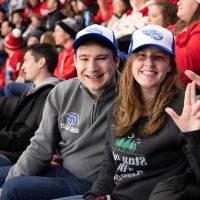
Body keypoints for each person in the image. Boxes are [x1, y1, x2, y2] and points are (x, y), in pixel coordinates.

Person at [57, 24, 200, 200]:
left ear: (170, 65)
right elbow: (109, 166)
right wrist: (93, 196)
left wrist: (194, 135)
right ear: (131, 61)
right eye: (141, 56)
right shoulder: (120, 105)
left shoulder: (186, 107)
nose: (149, 63)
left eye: (159, 57)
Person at [0, 24, 120, 200]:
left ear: (116, 61)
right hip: (60, 170)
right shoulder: (62, 91)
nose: (92, 67)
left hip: (91, 183)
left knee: (13, 189)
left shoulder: (130, 96)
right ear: (75, 60)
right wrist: (12, 177)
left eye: (101, 58)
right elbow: (40, 146)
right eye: (84, 59)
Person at [0, 43, 60, 166]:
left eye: (26, 61)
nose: (22, 67)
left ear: (41, 62)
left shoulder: (49, 94)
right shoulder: (34, 90)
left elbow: (27, 137)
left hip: (20, 157)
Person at [172, 0, 200, 85]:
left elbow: (188, 65)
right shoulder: (179, 26)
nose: (178, 3)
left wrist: (168, 40)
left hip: (190, 92)